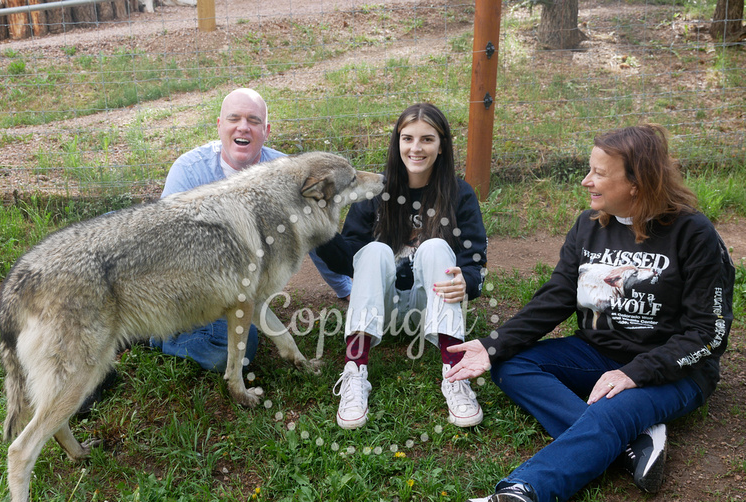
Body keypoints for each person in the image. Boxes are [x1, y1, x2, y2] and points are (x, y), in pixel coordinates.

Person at [445, 124, 735, 502]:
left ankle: (523, 494)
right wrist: (493, 346)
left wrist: (636, 373)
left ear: (637, 182)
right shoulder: (589, 226)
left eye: (599, 173)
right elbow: (558, 296)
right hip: (595, 352)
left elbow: (710, 334)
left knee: (612, 408)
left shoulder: (694, 235)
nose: (586, 181)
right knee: (511, 365)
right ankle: (633, 441)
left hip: (675, 372)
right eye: (589, 169)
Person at [78, 88, 349, 413]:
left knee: (241, 349)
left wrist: (346, 288)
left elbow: (318, 232)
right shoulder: (190, 169)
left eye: (253, 120)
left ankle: (153, 335)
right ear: (220, 125)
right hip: (180, 283)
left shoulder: (288, 172)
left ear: (266, 130)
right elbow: (163, 247)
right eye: (234, 119)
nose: (243, 128)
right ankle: (153, 332)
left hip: (236, 288)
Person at [316, 103, 488, 430]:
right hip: (382, 311)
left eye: (427, 139)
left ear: (441, 145)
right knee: (373, 252)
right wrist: (319, 230)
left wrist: (467, 280)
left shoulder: (460, 193)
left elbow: (474, 257)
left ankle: (454, 373)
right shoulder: (375, 192)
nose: (416, 148)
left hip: (432, 311)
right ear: (397, 142)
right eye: (407, 138)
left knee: (436, 246)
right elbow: (349, 259)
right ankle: (355, 371)